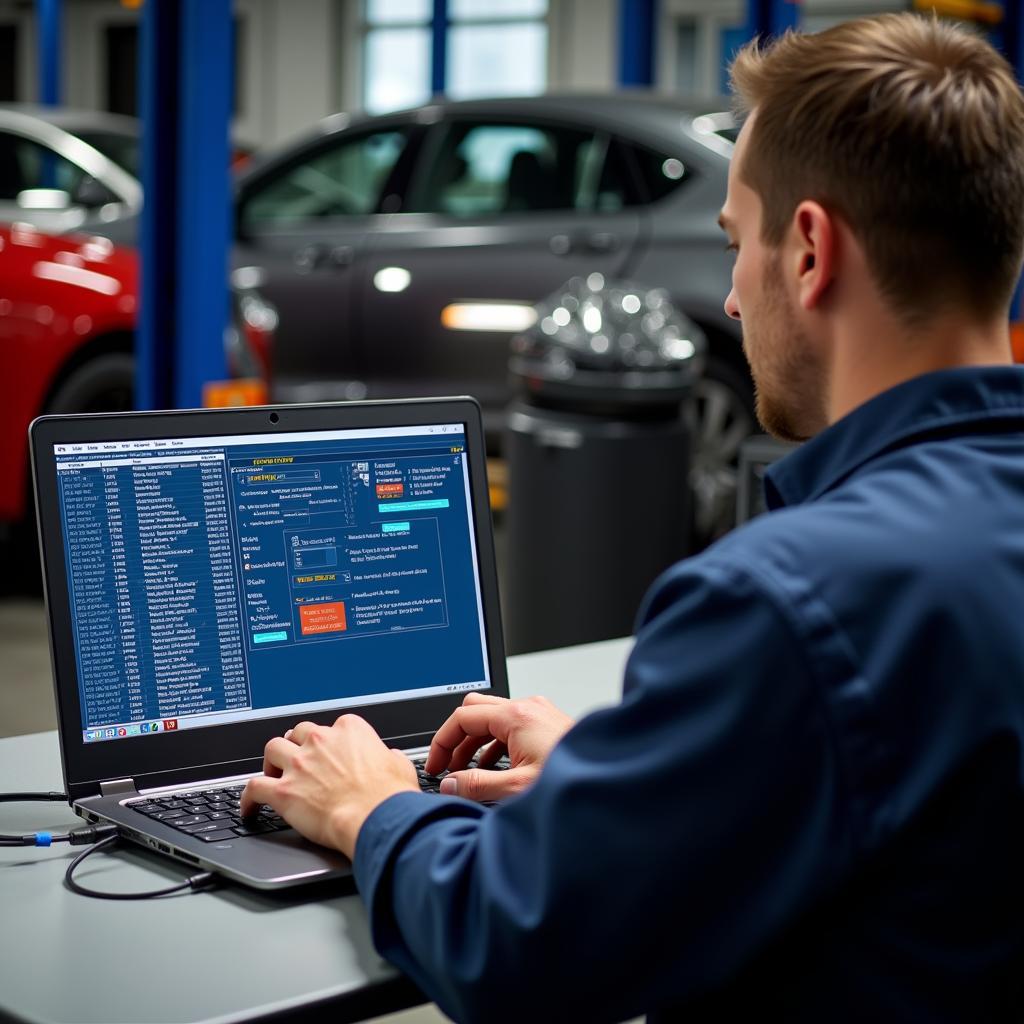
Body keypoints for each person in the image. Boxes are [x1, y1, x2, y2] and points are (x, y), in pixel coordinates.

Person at [241, 14, 1024, 1021]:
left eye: (736, 243)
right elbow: (922, 806)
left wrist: (369, 805)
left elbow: (522, 946)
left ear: (810, 252)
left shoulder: (784, 599)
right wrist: (633, 775)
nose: (734, 298)